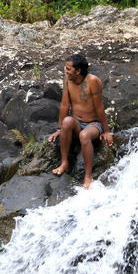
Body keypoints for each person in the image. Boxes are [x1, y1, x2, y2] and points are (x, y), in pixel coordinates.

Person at [47, 54, 113, 189]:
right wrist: (59, 130)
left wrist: (106, 131)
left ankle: (88, 175)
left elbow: (100, 107)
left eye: (69, 69)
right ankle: (64, 163)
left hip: (94, 124)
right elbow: (65, 105)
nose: (66, 71)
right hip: (77, 122)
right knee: (66, 122)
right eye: (66, 68)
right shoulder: (67, 79)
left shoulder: (93, 81)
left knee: (84, 136)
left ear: (78, 71)